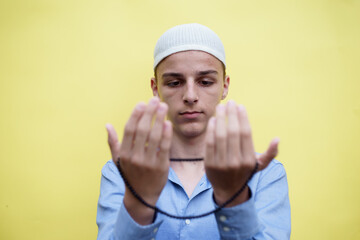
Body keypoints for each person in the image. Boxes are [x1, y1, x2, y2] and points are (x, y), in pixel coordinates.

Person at [96, 23, 291, 240]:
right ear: (155, 88)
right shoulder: (123, 171)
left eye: (205, 82)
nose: (190, 95)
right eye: (174, 82)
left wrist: (235, 200)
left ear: (225, 86)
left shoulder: (264, 174)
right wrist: (139, 202)